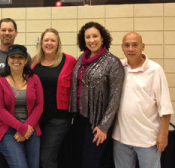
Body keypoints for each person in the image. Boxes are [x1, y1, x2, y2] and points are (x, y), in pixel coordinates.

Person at [112, 32, 173, 168]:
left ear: (142, 46)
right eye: (127, 45)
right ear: (122, 47)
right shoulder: (118, 68)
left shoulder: (155, 70)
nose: (131, 49)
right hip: (121, 139)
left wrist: (164, 134)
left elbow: (164, 105)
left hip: (148, 140)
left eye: (135, 45)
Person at [69, 21, 124, 168]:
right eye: (87, 37)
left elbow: (115, 97)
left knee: (91, 162)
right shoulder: (81, 59)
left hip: (98, 122)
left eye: (95, 36)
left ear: (102, 38)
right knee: (80, 160)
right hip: (81, 119)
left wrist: (104, 126)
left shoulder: (112, 62)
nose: (91, 40)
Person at [0, 44, 43, 168]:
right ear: (8, 60)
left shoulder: (34, 79)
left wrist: (26, 127)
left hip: (31, 128)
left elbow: (39, 106)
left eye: (20, 57)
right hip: (7, 131)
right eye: (13, 57)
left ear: (26, 60)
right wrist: (21, 128)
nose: (16, 60)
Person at [31, 28, 77, 168]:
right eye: (46, 40)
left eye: (52, 40)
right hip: (36, 118)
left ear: (58, 43)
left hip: (58, 119)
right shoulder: (34, 61)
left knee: (47, 159)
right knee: (35, 157)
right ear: (41, 43)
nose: (49, 43)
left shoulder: (69, 61)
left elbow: (77, 87)